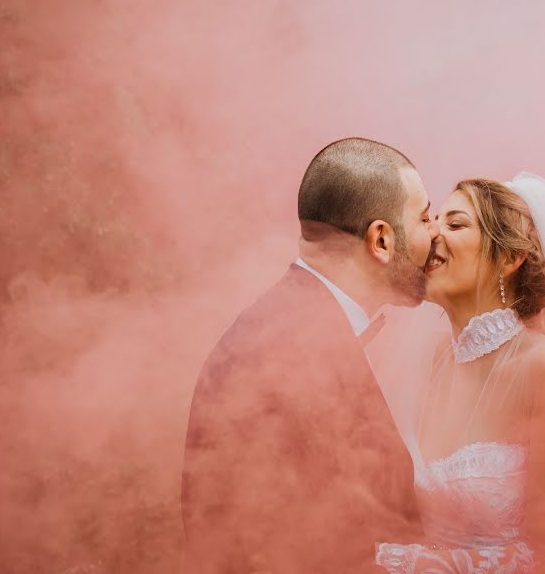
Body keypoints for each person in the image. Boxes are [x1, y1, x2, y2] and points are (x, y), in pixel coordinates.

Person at [181, 137, 439, 573]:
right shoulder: (281, 350)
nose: (435, 233)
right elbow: (259, 546)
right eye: (425, 217)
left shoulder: (298, 323)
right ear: (381, 240)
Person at [375, 174, 545, 574]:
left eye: (456, 224)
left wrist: (416, 566)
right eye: (433, 221)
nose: (432, 236)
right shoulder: (433, 361)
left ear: (509, 258)